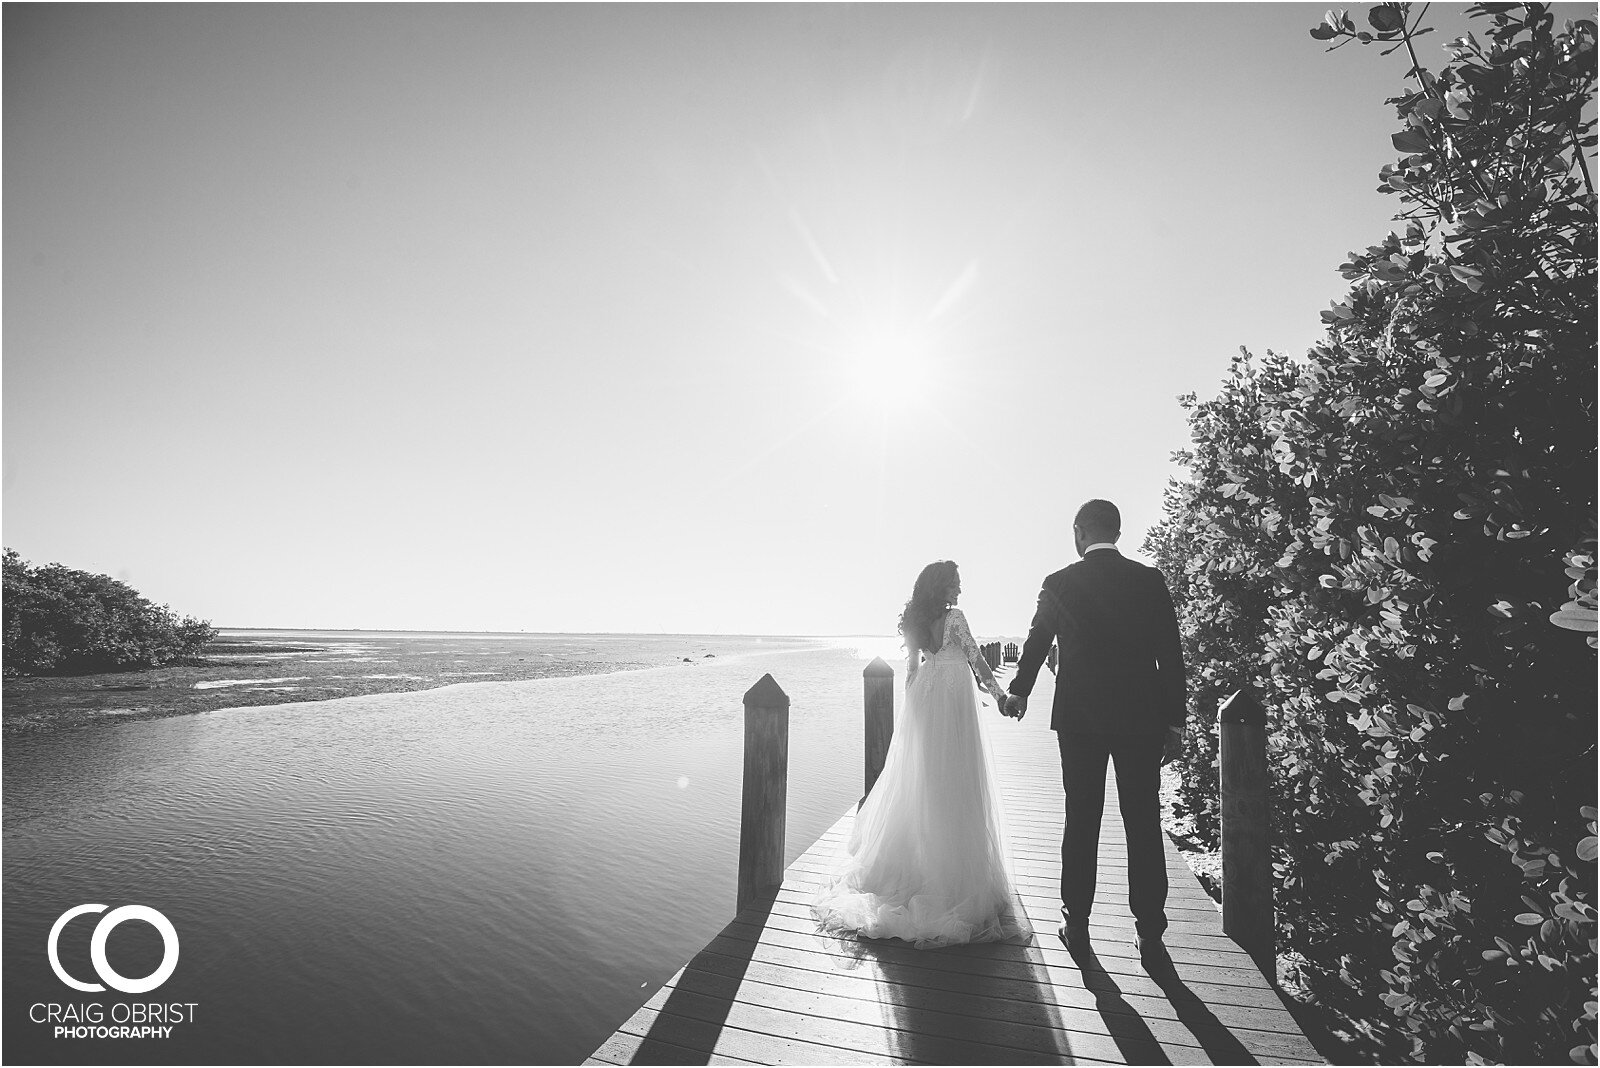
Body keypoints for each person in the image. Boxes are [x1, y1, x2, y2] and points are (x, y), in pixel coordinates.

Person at [811, 560, 1033, 948]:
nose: (960, 591)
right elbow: (977, 661)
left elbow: (912, 669)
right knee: (957, 781)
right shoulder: (956, 618)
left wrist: (911, 713)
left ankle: (921, 863)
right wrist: (1000, 697)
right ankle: (953, 878)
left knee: (926, 783)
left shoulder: (915, 620)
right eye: (955, 584)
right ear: (941, 587)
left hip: (927, 699)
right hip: (953, 700)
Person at [1004, 499, 1187, 968]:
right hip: (1141, 718)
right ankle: (1150, 932)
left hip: (1080, 719)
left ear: (1079, 532)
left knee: (1081, 817)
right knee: (1143, 821)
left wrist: (1019, 692)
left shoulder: (1060, 581)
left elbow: (1037, 640)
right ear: (1118, 533)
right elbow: (1171, 652)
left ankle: (1077, 924)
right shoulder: (1149, 581)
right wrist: (1175, 720)